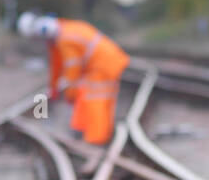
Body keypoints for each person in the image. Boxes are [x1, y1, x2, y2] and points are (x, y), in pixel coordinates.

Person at [17, 12, 129, 145]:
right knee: (88, 95)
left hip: (103, 64)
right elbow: (57, 66)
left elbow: (72, 71)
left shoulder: (65, 40)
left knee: (95, 98)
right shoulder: (62, 33)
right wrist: (53, 89)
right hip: (105, 62)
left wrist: (70, 93)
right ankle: (82, 130)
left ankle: (96, 140)